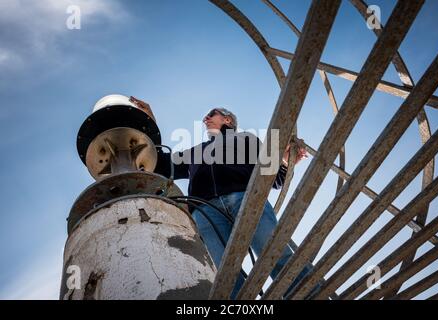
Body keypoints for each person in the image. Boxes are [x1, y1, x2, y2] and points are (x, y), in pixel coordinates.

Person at [131, 97, 310, 299]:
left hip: (245, 200)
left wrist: (286, 161)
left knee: (275, 253)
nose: (205, 118)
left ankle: (310, 295)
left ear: (227, 120)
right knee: (223, 276)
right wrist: (149, 121)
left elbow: (274, 178)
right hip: (205, 212)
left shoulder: (246, 139)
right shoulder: (197, 151)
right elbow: (159, 164)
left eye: (212, 114)